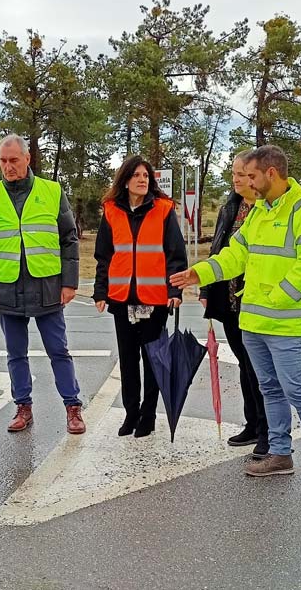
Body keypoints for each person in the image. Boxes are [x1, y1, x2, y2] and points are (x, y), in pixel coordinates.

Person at [171, 145, 301, 491]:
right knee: (269, 389)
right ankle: (280, 453)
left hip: (285, 322)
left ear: (271, 173)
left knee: (296, 389)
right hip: (253, 321)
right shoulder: (259, 211)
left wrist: (278, 296)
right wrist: (200, 274)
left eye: (251, 175)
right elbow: (236, 255)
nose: (246, 182)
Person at [0, 134, 86, 435]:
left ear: (27, 159)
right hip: (6, 289)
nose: (8, 166)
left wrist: (69, 283)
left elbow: (68, 240)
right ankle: (23, 407)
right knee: (16, 354)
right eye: (3, 161)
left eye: (13, 160)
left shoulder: (52, 191)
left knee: (59, 351)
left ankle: (73, 407)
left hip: (48, 287)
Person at [93, 155, 188, 438]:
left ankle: (148, 415)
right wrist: (100, 291)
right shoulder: (111, 211)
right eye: (136, 175)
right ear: (125, 180)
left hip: (155, 299)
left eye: (146, 175)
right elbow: (103, 256)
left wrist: (175, 290)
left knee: (153, 360)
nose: (142, 179)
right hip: (122, 299)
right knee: (128, 359)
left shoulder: (162, 210)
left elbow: (175, 254)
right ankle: (130, 412)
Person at [202, 150, 268, 458]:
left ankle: (269, 429)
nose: (236, 179)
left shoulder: (268, 210)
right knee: (244, 362)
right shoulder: (231, 206)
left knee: (260, 368)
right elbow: (219, 248)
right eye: (233, 174)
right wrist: (206, 287)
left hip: (255, 298)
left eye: (242, 174)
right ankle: (252, 423)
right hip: (228, 298)